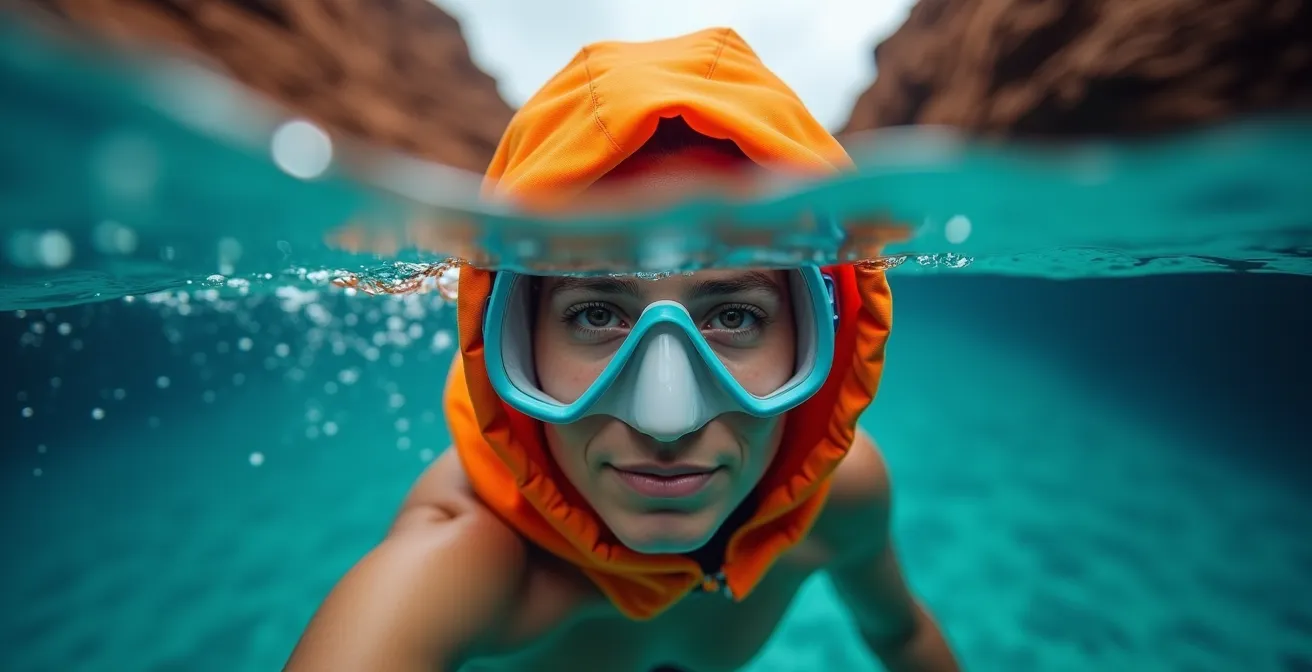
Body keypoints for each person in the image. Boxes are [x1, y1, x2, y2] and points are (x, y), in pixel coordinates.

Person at [287, 27, 959, 672]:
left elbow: (902, 637)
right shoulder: (469, 555)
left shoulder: (844, 497)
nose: (665, 420)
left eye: (733, 314)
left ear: (827, 339)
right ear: (515, 337)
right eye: (597, 313)